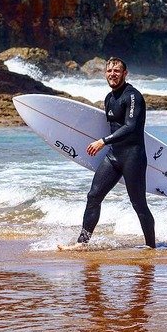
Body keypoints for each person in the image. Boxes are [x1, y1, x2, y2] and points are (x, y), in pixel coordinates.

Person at [67, 56, 156, 249]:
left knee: (139, 204)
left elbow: (131, 127)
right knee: (93, 196)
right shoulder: (109, 98)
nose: (112, 74)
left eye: (116, 71)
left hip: (133, 156)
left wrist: (103, 142)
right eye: (109, 71)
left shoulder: (132, 96)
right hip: (114, 156)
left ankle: (151, 247)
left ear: (125, 73)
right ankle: (82, 243)